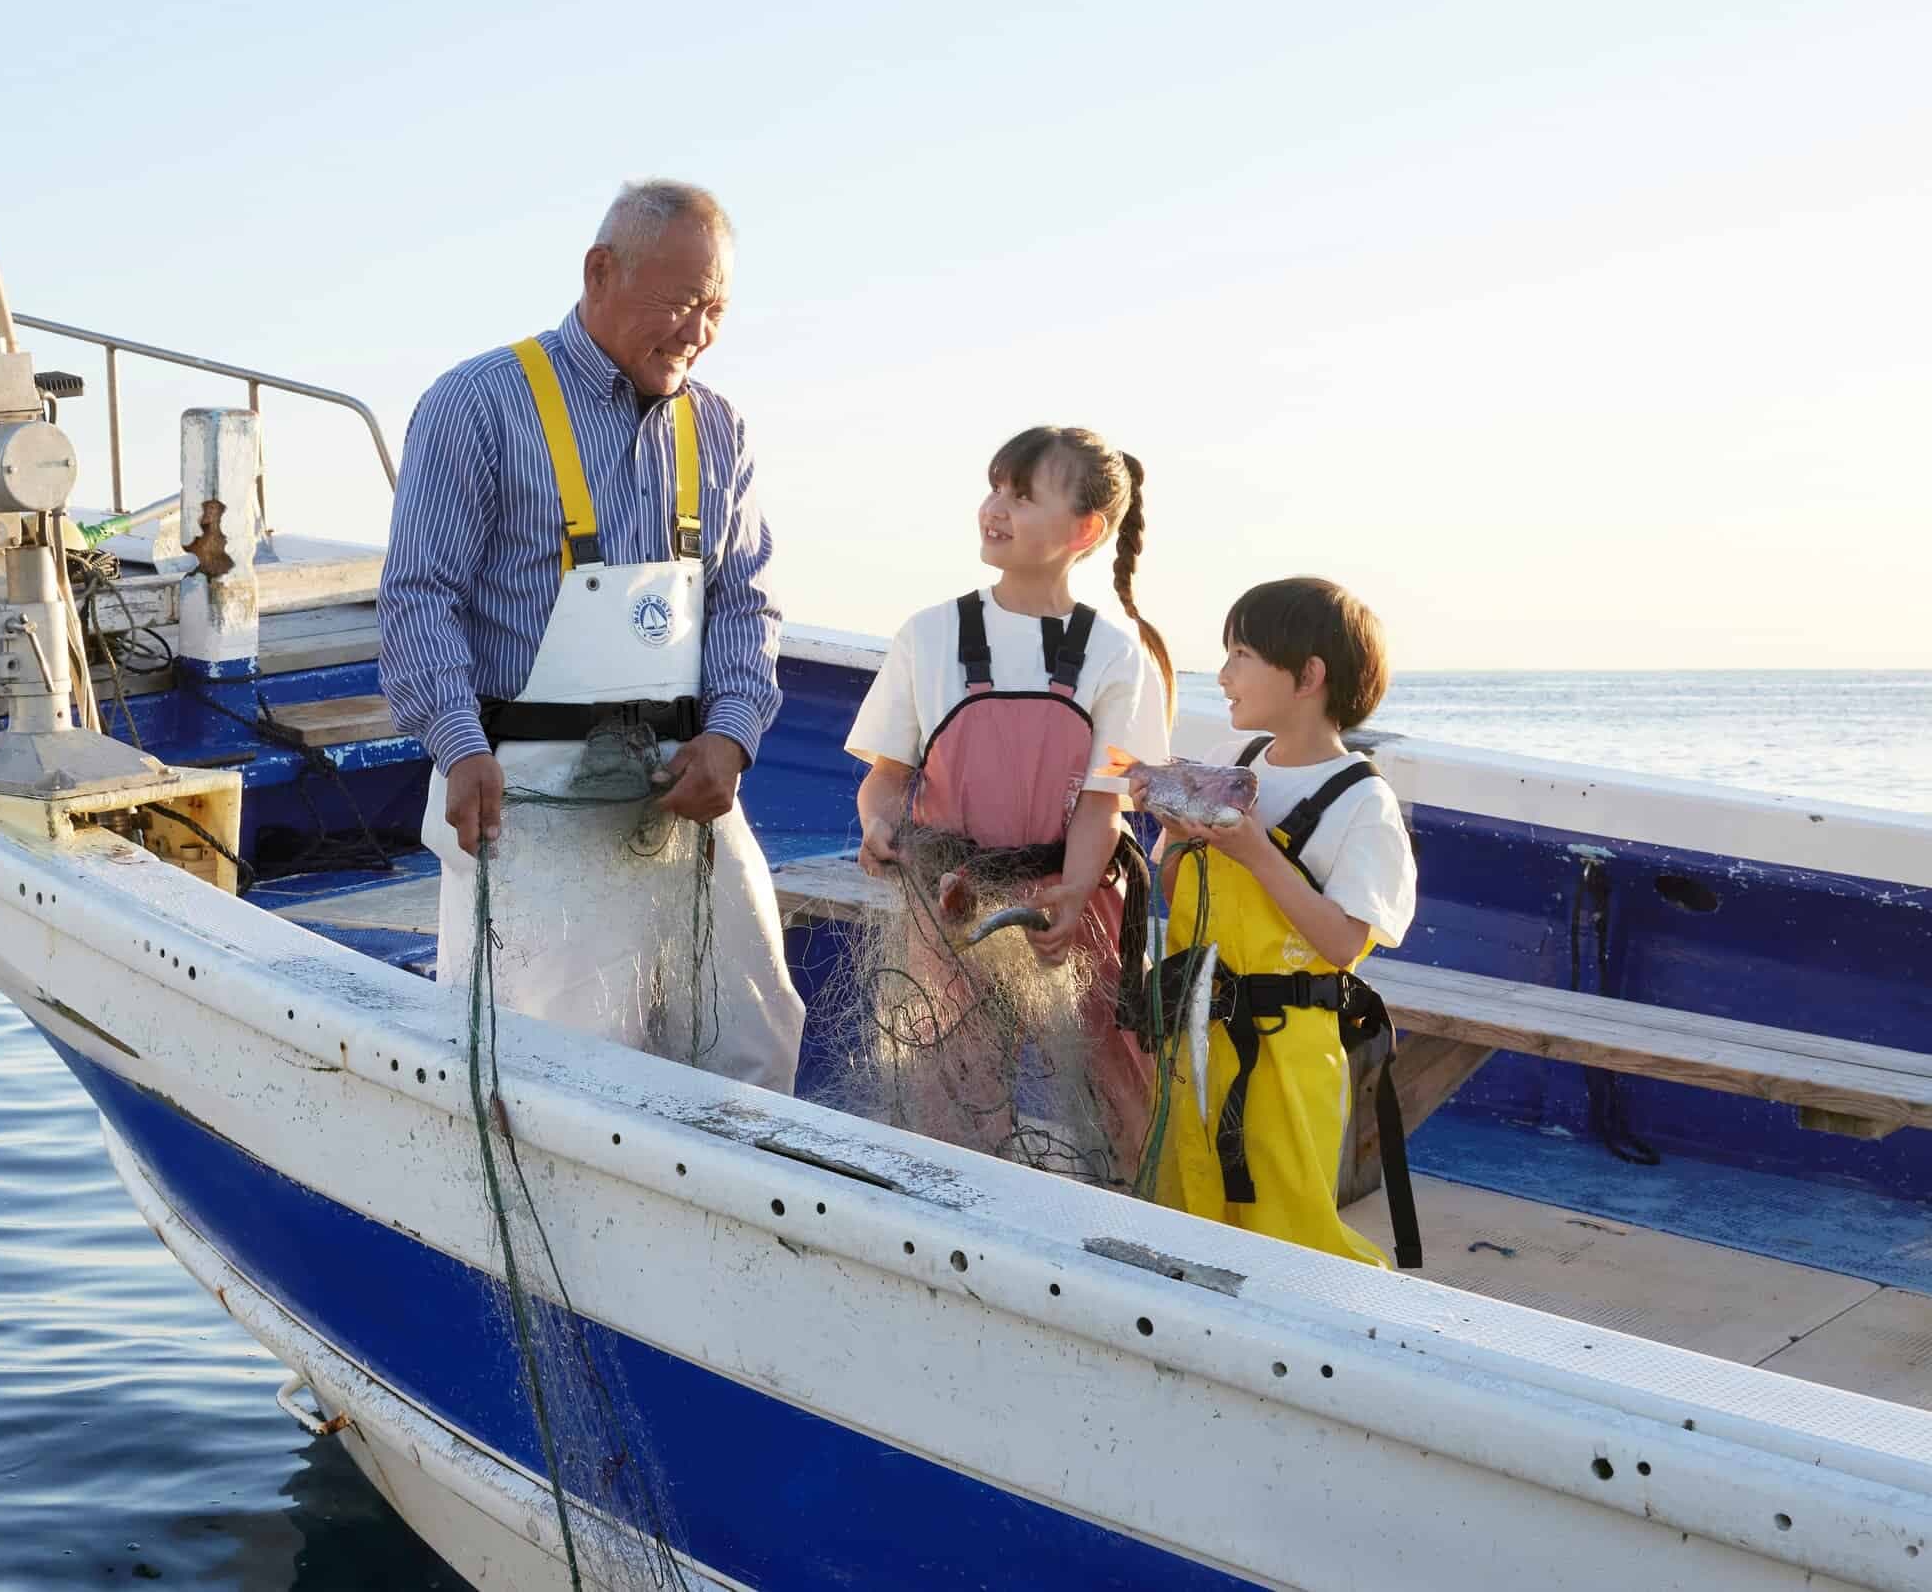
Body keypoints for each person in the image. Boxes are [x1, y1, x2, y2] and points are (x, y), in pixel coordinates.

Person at [376, 181, 805, 1089]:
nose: (698, 333)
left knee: (755, 1037)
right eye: (683, 303)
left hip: (684, 786)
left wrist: (731, 736)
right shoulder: (475, 404)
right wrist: (458, 749)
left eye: (718, 308)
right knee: (565, 1064)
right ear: (600, 271)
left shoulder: (720, 428)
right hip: (524, 793)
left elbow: (744, 603)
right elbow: (419, 599)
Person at [843, 428, 1173, 1182]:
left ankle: (1125, 1221)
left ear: (1084, 531)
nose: (995, 509)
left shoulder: (1117, 657)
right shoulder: (927, 636)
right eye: (995, 489)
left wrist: (1077, 889)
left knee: (1114, 1082)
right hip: (953, 902)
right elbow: (888, 776)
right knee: (949, 1083)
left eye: (1023, 496)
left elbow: (1103, 804)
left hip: (1077, 901)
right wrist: (878, 826)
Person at [1139, 576, 1418, 1265]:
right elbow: (1178, 892)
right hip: (1196, 1031)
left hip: (1287, 1055)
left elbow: (1342, 945)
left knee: (1286, 1227)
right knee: (1189, 1207)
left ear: (1308, 676)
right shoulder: (1229, 765)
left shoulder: (1361, 802)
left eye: (1241, 655)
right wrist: (1173, 837)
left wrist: (1258, 853)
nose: (1224, 674)